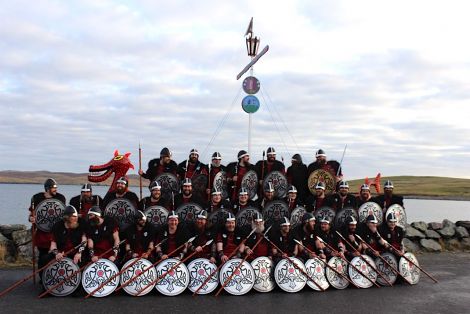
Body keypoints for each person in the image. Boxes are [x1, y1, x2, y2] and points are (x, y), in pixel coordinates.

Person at [28, 178, 67, 276]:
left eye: (56, 188)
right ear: (47, 188)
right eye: (54, 188)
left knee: (56, 256)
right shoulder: (37, 198)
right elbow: (31, 215)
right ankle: (42, 277)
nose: (56, 190)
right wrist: (31, 219)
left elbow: (62, 213)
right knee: (43, 256)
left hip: (57, 232)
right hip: (42, 233)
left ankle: (53, 277)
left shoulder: (60, 198)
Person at [42, 205, 87, 277]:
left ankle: (78, 283)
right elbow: (53, 244)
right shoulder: (57, 226)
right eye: (74, 216)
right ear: (67, 218)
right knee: (45, 259)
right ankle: (46, 281)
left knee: (82, 262)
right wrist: (57, 253)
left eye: (76, 216)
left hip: (75, 253)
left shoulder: (81, 224)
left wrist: (79, 252)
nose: (76, 218)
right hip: (61, 253)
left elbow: (84, 240)